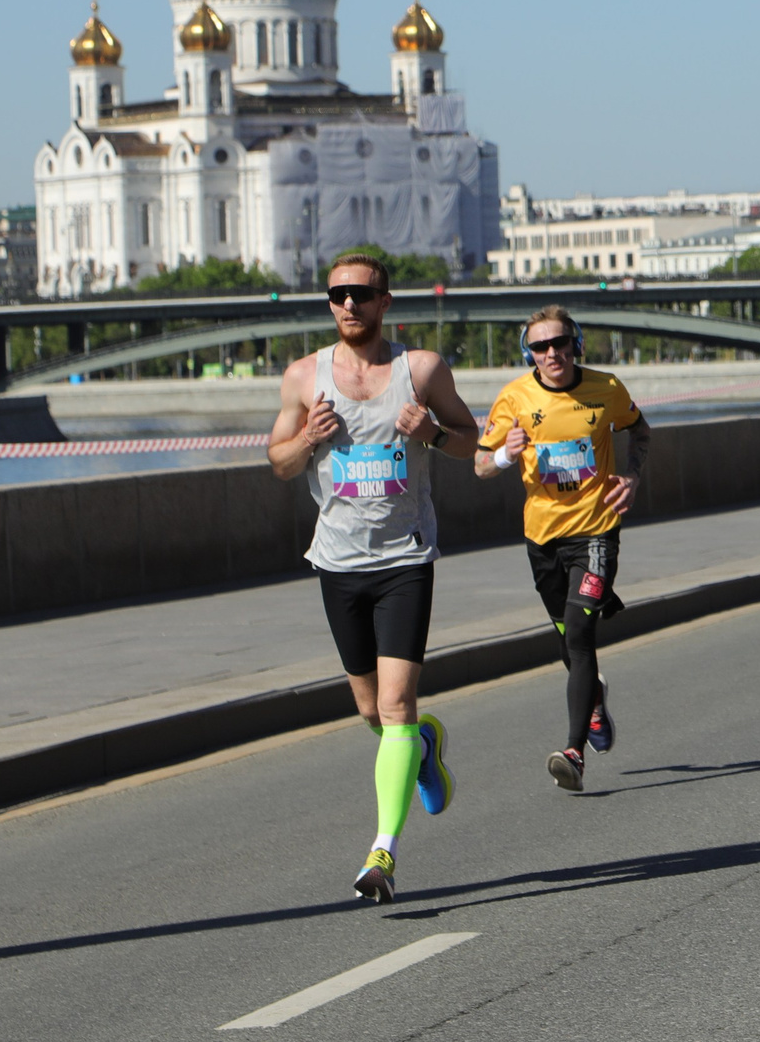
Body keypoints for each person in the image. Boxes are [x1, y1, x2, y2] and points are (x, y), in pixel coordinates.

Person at [265, 249, 482, 904]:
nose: (349, 305)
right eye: (337, 295)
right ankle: (423, 747)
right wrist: (308, 438)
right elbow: (278, 462)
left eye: (361, 294)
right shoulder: (303, 377)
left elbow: (472, 441)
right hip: (337, 561)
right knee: (371, 710)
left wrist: (433, 432)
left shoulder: (421, 370)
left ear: (385, 302)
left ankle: (382, 852)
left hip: (404, 560)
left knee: (394, 705)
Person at [477, 305, 648, 793]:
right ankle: (592, 700)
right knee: (567, 634)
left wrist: (632, 476)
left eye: (560, 343)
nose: (552, 353)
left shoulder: (606, 388)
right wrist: (506, 454)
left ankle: (573, 752)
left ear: (576, 343)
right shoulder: (515, 397)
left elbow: (639, 429)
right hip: (543, 539)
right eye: (540, 346)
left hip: (596, 531)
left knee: (579, 631)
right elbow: (480, 465)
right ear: (529, 353)